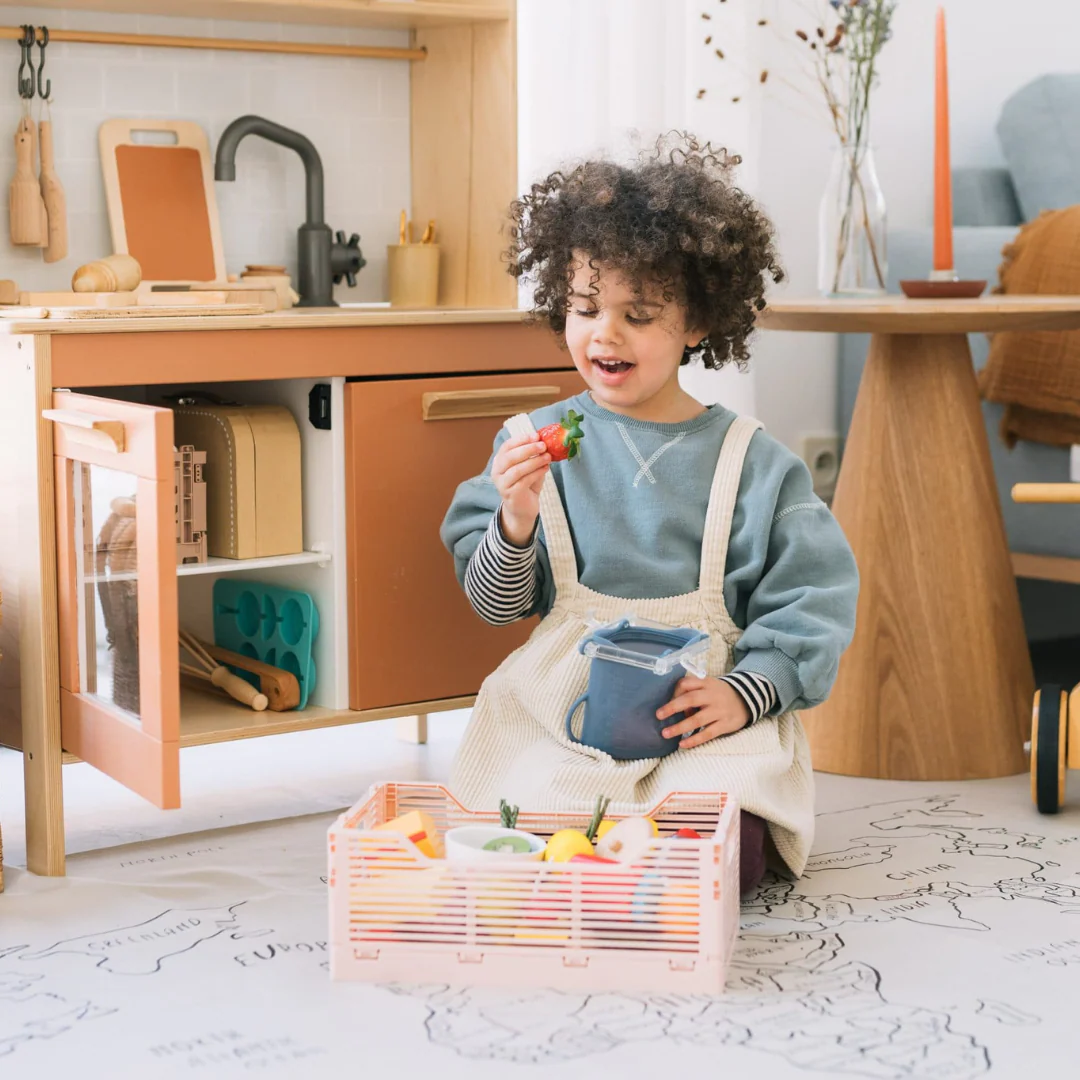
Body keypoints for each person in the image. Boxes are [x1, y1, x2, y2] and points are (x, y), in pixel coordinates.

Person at [440, 134, 859, 891]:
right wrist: (517, 519)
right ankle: (597, 855)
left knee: (734, 841)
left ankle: (662, 850)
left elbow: (813, 601)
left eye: (639, 314)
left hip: (701, 708)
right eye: (585, 307)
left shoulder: (754, 462)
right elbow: (496, 607)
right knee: (514, 815)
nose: (605, 332)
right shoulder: (525, 444)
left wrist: (743, 694)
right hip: (563, 706)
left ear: (697, 323)